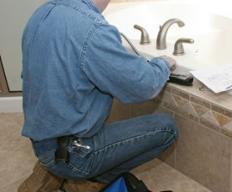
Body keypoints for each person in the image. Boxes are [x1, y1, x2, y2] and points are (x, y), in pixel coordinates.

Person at [19, 0, 178, 191]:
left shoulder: (44, 12)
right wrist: (163, 64)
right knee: (167, 129)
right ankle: (86, 183)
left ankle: (52, 174)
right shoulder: (93, 30)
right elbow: (144, 86)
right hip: (74, 152)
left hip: (43, 142)